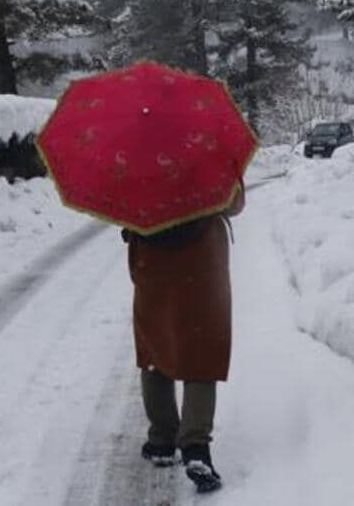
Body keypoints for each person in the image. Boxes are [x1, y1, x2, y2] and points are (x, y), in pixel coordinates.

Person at [123, 183, 245, 494]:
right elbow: (233, 204)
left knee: (155, 344)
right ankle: (195, 447)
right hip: (202, 263)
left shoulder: (135, 161)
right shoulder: (207, 149)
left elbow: (122, 210)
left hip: (152, 264)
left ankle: (162, 439)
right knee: (201, 351)